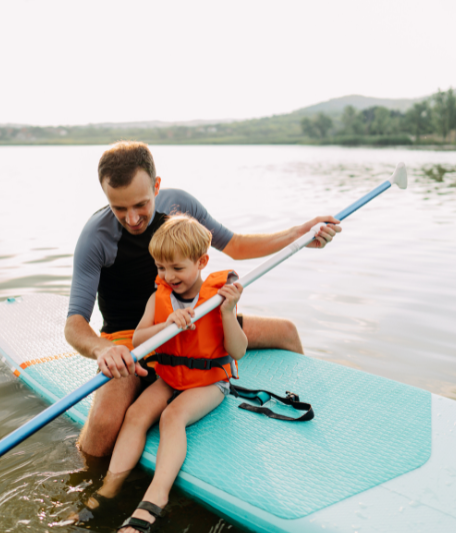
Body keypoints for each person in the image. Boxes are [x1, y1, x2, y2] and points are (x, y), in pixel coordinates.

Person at [65, 141, 341, 458]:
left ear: (156, 186)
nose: (132, 219)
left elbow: (235, 245)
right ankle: (91, 493)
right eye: (119, 208)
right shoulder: (96, 238)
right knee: (104, 426)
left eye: (140, 204)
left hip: (196, 319)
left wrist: (299, 235)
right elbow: (74, 323)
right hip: (133, 338)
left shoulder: (180, 205)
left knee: (286, 332)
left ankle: (308, 420)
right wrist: (104, 349)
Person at [85, 215, 247, 532]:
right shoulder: (159, 296)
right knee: (135, 414)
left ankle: (154, 499)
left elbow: (238, 351)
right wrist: (168, 323)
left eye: (177, 268)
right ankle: (110, 487)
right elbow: (139, 340)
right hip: (170, 376)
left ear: (201, 261)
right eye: (161, 267)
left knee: (171, 417)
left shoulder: (218, 298)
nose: (168, 276)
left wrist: (227, 312)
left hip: (209, 382)